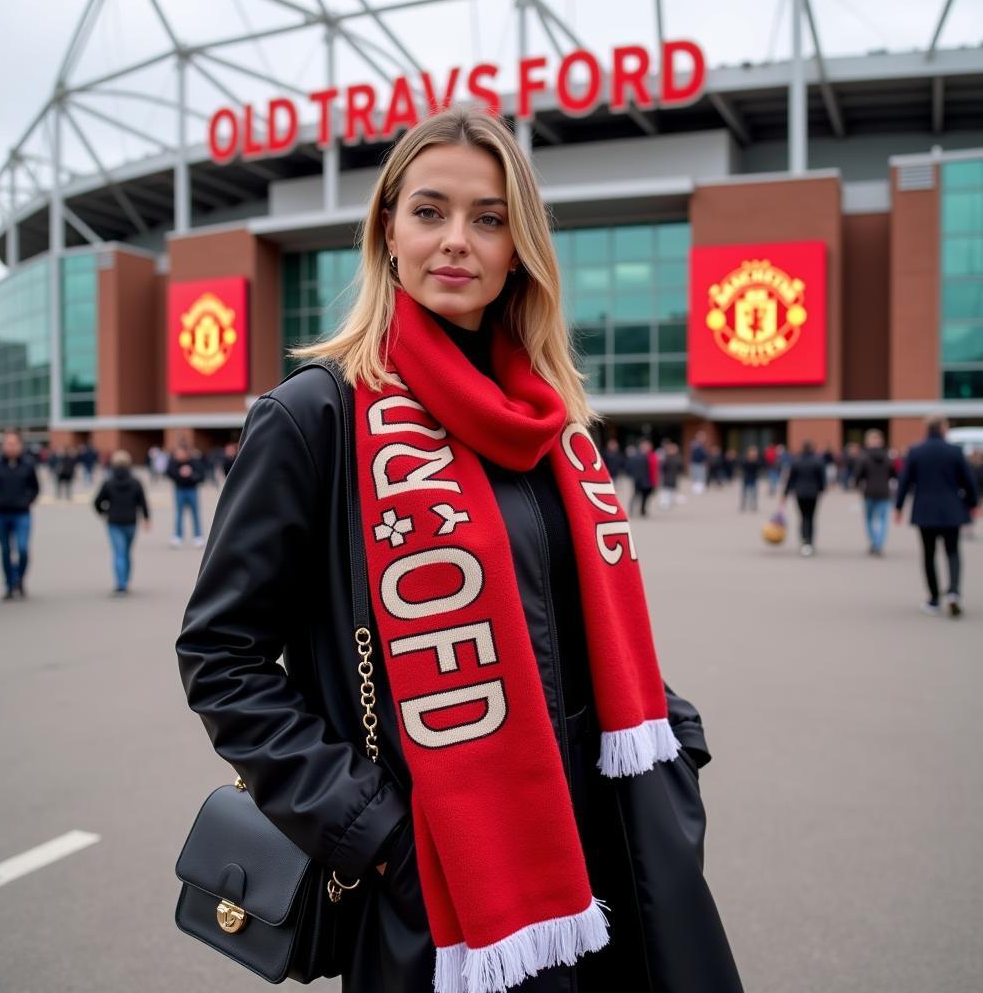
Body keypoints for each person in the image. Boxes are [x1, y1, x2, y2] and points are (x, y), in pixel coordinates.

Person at [174, 106, 741, 993]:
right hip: (446, 877)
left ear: (520, 246)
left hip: (612, 847)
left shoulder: (551, 421)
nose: (457, 242)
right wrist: (376, 830)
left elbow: (578, 622)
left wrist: (677, 750)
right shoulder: (316, 417)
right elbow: (221, 657)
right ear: (388, 230)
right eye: (430, 212)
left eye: (489, 218)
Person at [894, 417, 979, 617]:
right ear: (943, 428)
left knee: (929, 554)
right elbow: (968, 481)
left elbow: (905, 481)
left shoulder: (916, 451)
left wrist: (898, 507)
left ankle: (933, 599)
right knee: (952, 552)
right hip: (951, 509)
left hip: (925, 510)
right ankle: (954, 592)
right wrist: (972, 503)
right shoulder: (954, 451)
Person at [0, 428, 40, 600]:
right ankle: (9, 584)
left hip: (22, 513)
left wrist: (27, 500)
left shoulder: (28, 464)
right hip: (1, 513)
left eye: (14, 443)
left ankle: (19, 579)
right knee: (5, 550)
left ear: (20, 445)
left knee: (22, 549)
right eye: (7, 443)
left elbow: (35, 487)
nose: (11, 447)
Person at [93, 450, 150, 596]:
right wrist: (146, 518)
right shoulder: (136, 482)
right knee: (126, 552)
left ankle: (121, 584)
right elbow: (143, 501)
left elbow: (97, 502)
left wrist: (103, 512)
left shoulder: (108, 482)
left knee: (119, 552)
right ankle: (125, 580)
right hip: (131, 521)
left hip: (114, 521)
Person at [852, 429, 896, 556]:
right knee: (882, 519)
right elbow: (894, 474)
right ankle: (879, 543)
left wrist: (856, 484)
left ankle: (874, 542)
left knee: (869, 519)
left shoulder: (864, 457)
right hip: (884, 491)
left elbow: (858, 475)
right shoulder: (888, 457)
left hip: (869, 491)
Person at [782, 441, 826, 556]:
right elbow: (822, 478)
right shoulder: (818, 461)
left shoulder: (796, 461)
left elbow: (791, 479)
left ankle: (804, 541)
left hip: (800, 493)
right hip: (813, 493)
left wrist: (785, 494)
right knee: (811, 517)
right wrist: (822, 489)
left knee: (803, 517)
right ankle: (810, 542)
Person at [166, 445, 205, 547]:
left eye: (180, 453)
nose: (178, 455)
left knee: (195, 513)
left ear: (186, 453)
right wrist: (180, 474)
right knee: (179, 513)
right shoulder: (173, 462)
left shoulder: (195, 462)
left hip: (192, 490)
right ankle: (178, 536)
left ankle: (198, 536)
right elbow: (169, 473)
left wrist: (191, 475)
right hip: (179, 490)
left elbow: (201, 476)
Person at [628, 438, 659, 517]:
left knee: (645, 496)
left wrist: (654, 481)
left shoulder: (652, 456)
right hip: (638, 479)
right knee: (636, 495)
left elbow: (654, 470)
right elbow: (630, 467)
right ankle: (631, 509)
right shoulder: (636, 456)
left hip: (648, 480)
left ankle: (643, 510)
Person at [659, 441, 684, 511]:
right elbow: (662, 468)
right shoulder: (667, 458)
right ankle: (663, 504)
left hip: (673, 477)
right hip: (667, 477)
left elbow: (680, 468)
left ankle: (668, 503)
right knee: (665, 491)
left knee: (671, 491)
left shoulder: (677, 458)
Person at [739, 445, 761, 512]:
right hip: (746, 477)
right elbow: (742, 466)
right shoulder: (745, 459)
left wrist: (755, 460)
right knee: (744, 492)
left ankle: (753, 505)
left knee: (754, 493)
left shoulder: (757, 460)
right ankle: (743, 504)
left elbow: (760, 466)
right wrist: (748, 461)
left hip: (754, 478)